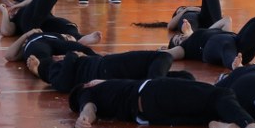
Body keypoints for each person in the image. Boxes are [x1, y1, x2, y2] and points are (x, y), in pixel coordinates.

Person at [69, 78, 255, 128]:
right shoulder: (89, 92)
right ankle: (250, 126)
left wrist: (86, 116)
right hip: (151, 92)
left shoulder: (103, 92)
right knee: (220, 94)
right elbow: (88, 108)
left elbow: (91, 107)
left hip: (151, 117)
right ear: (86, 84)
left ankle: (219, 125)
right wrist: (84, 118)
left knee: (209, 107)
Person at [27, 49, 179, 92]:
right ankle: (152, 88)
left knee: (180, 75)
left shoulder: (68, 64)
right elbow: (62, 84)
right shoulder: (55, 68)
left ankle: (151, 86)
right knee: (162, 56)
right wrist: (71, 55)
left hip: (105, 66)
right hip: (104, 68)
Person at [0, 0, 102, 44]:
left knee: (65, 27)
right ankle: (34, 35)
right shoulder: (16, 21)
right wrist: (4, 11)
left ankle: (80, 39)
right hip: (32, 26)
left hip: (49, 24)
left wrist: (18, 5)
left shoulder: (35, 7)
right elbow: (6, 31)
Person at [165, 15, 255, 70]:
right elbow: (168, 54)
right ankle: (235, 66)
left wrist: (189, 31)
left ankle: (237, 63)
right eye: (177, 40)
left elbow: (226, 20)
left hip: (238, 47)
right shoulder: (184, 47)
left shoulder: (204, 32)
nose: (180, 37)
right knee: (223, 42)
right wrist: (162, 51)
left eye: (179, 35)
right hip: (211, 47)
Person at [4, 28, 98, 63]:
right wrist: (26, 35)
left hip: (57, 42)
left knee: (83, 50)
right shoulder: (28, 43)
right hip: (37, 43)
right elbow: (9, 56)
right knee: (42, 59)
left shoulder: (58, 36)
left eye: (69, 36)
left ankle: (102, 62)